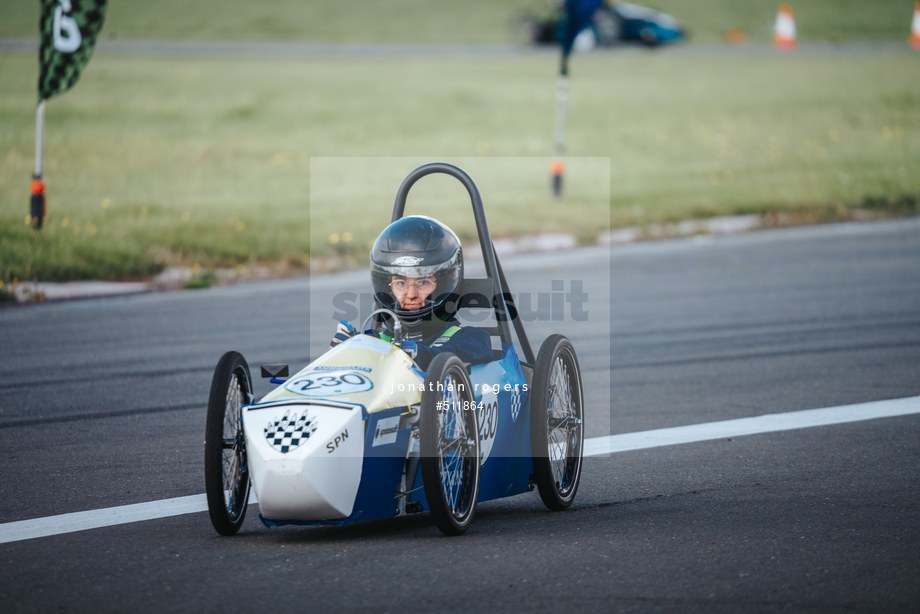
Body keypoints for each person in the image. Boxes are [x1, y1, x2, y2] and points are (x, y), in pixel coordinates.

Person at [330, 215, 492, 371]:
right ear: (388, 288)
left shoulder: (472, 339)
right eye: (401, 283)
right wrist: (349, 348)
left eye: (422, 282)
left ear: (443, 286)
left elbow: (455, 355)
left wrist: (419, 357)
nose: (411, 294)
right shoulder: (375, 340)